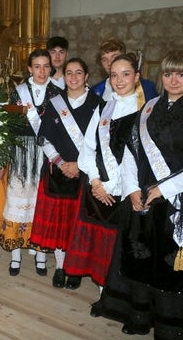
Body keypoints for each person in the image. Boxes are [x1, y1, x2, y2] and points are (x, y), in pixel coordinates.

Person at [92, 50, 183, 338]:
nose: (174, 79)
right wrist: (131, 188)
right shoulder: (149, 108)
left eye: (180, 73)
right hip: (142, 200)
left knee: (169, 268)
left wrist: (163, 189)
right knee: (140, 259)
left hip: (175, 202)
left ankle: (169, 327)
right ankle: (140, 317)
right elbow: (131, 152)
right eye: (168, 73)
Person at [64, 54, 144, 302]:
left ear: (137, 77)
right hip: (97, 186)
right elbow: (88, 147)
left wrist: (118, 186)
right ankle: (100, 293)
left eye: (126, 74)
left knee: (115, 248)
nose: (119, 80)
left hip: (125, 191)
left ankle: (112, 298)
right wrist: (96, 182)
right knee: (96, 244)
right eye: (114, 75)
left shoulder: (145, 110)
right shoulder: (104, 107)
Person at [0, 49, 62, 277]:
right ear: (29, 69)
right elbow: (6, 129)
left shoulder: (58, 93)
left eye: (46, 66)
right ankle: (16, 254)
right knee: (18, 202)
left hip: (46, 155)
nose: (42, 71)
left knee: (40, 203)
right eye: (37, 66)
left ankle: (40, 255)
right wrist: (1, 159)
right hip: (19, 154)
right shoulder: (18, 93)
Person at [30, 58, 103, 290]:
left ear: (87, 76)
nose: (73, 77)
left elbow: (101, 144)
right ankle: (61, 267)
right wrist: (61, 162)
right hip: (58, 173)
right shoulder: (55, 103)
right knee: (61, 226)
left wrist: (79, 165)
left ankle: (75, 270)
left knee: (77, 226)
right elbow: (44, 139)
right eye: (69, 73)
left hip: (85, 175)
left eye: (78, 73)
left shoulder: (99, 104)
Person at [91, 38, 157, 101]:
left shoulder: (146, 88)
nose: (109, 63)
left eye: (114, 57)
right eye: (104, 60)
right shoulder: (96, 91)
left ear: (124, 57)